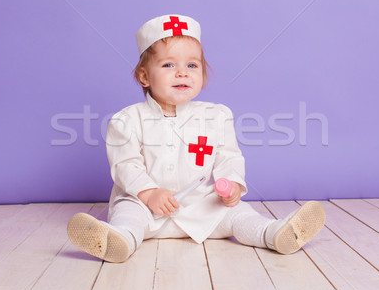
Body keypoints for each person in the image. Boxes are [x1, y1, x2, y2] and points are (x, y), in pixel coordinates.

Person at [67, 14, 325, 263]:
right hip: (147, 207)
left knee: (239, 215)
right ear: (144, 76)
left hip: (201, 204)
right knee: (128, 214)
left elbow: (229, 156)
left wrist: (232, 184)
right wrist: (149, 194)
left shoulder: (216, 115)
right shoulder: (127, 120)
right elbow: (126, 166)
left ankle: (274, 233)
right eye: (169, 65)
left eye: (192, 65)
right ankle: (119, 240)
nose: (182, 73)